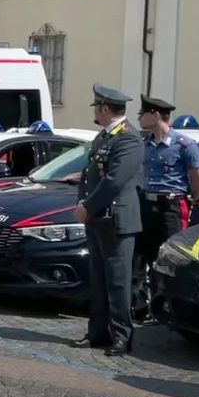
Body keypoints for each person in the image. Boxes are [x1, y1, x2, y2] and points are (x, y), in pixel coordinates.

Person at [71, 84, 143, 357]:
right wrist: (84, 203)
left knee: (118, 282)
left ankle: (122, 335)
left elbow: (115, 181)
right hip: (98, 218)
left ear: (104, 108)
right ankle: (98, 332)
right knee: (98, 279)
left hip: (117, 219)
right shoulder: (105, 137)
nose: (95, 112)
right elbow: (92, 174)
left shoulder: (128, 138)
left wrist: (88, 207)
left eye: (97, 108)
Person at [134, 94, 199, 324]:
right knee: (145, 257)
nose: (139, 118)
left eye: (142, 113)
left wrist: (186, 200)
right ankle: (145, 306)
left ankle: (168, 307)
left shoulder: (184, 145)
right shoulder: (145, 145)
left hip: (170, 205)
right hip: (147, 204)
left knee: (170, 258)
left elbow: (198, 181)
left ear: (155, 115)